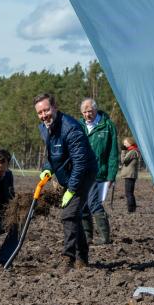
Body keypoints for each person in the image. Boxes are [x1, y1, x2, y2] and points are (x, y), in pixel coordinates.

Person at [34, 93, 97, 271]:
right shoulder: (45, 128)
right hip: (67, 173)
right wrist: (47, 168)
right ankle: (82, 259)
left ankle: (68, 257)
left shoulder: (71, 128)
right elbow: (53, 154)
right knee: (74, 216)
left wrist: (71, 189)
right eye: (40, 112)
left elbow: (80, 163)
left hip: (83, 174)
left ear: (54, 107)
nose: (44, 115)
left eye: (46, 110)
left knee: (68, 214)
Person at [79, 98, 117, 244]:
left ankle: (105, 237)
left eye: (90, 111)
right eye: (85, 112)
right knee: (83, 204)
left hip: (98, 172)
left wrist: (111, 175)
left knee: (94, 202)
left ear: (96, 110)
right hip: (81, 171)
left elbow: (113, 152)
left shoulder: (107, 126)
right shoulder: (79, 126)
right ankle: (87, 236)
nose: (88, 114)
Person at [119, 137, 140, 213]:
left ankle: (131, 209)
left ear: (130, 142)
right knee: (130, 192)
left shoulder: (133, 151)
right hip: (129, 175)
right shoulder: (132, 150)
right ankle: (133, 208)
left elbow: (124, 160)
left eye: (125, 143)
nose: (124, 144)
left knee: (128, 193)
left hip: (130, 175)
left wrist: (123, 151)